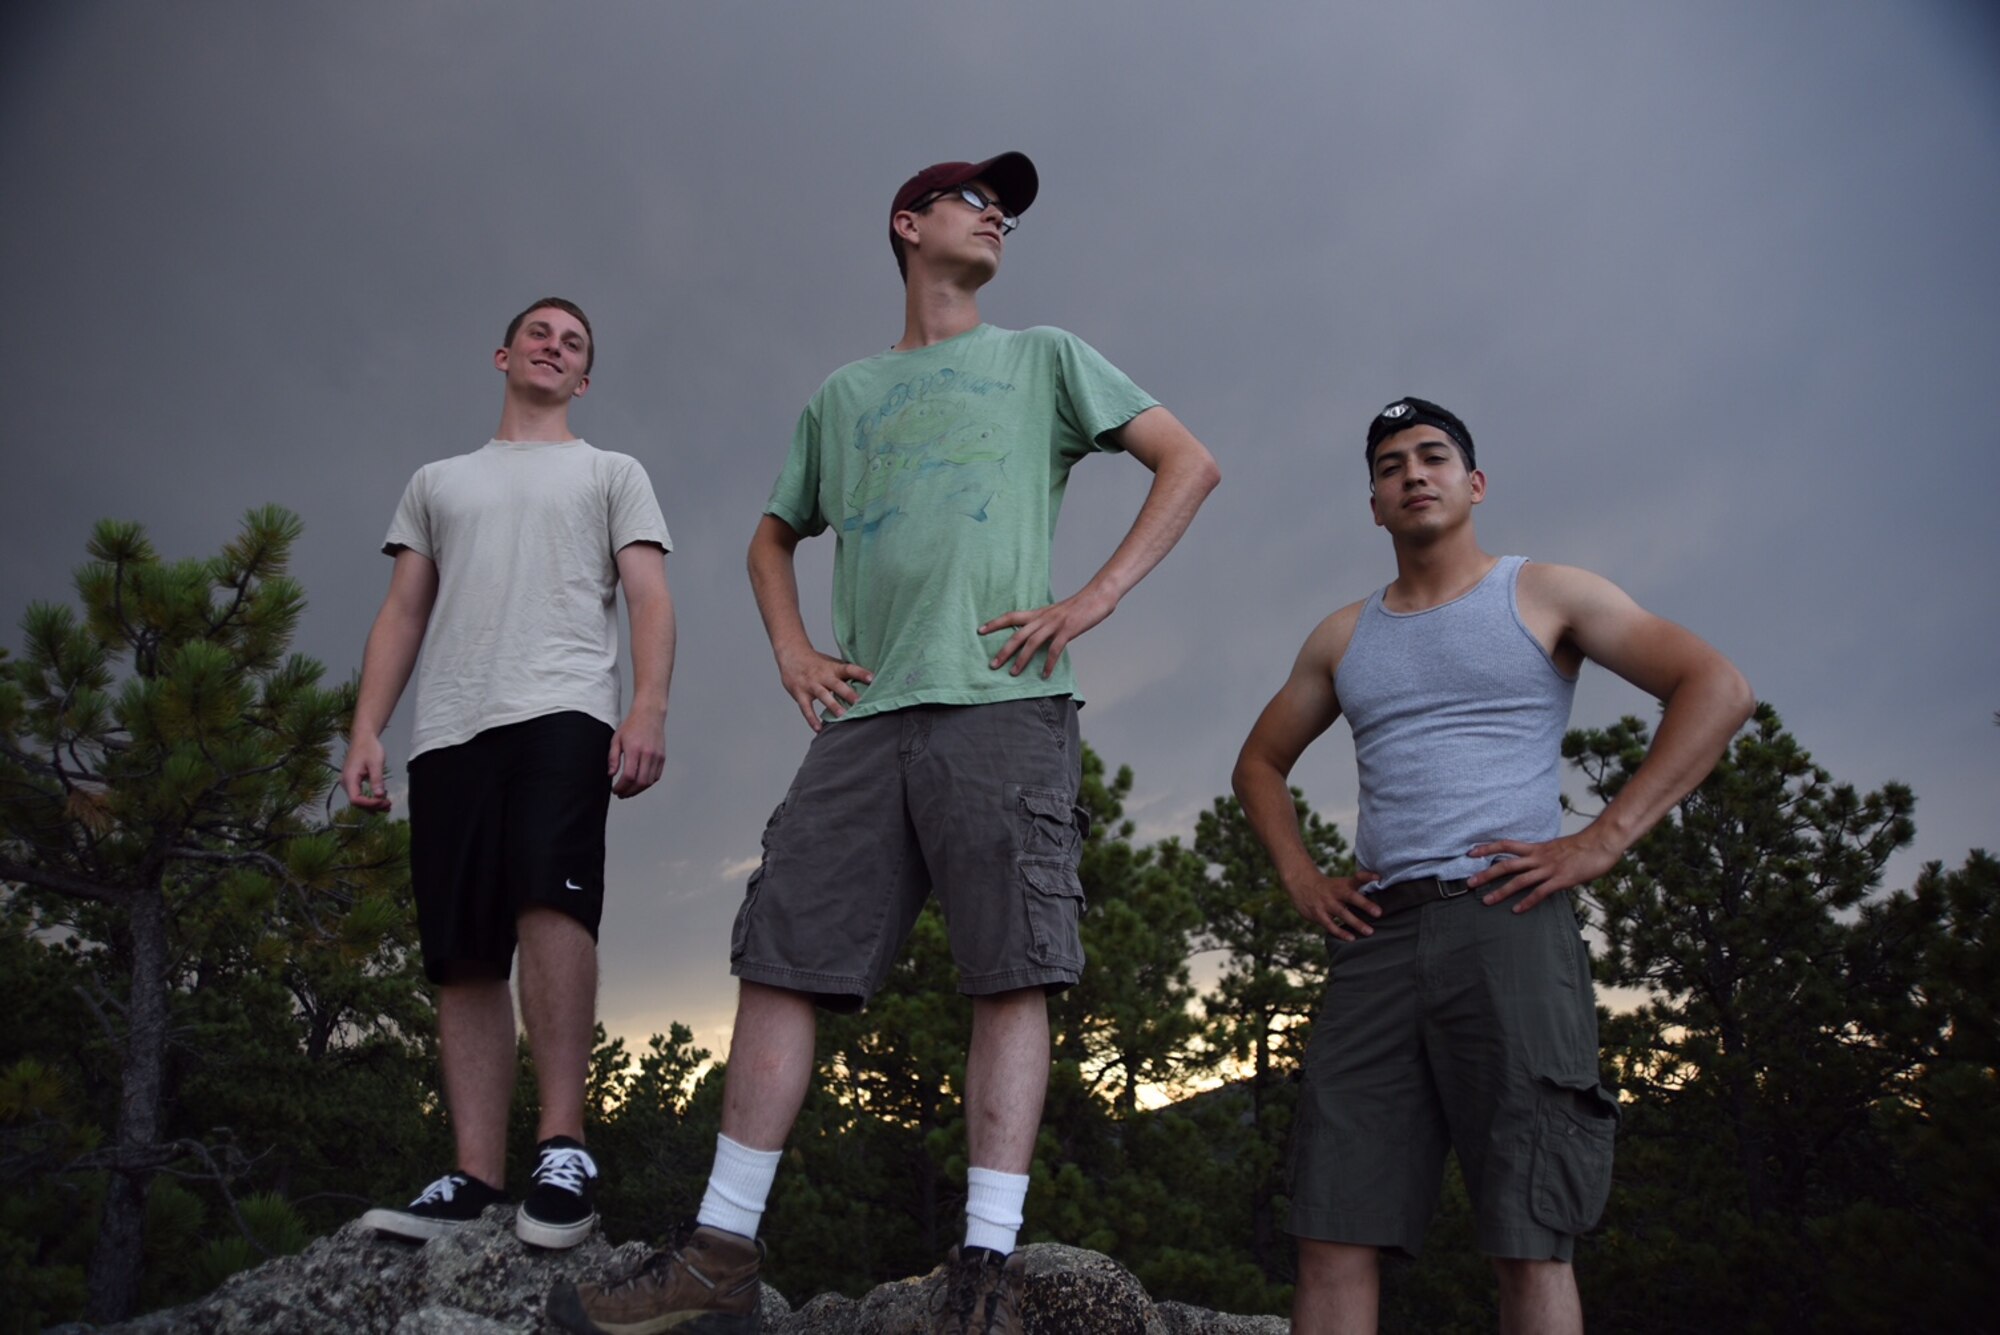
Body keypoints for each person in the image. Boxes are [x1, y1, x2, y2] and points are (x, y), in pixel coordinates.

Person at [548, 153, 1219, 1335]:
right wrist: (793, 652)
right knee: (782, 951)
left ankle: (984, 1267)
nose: (996, 213)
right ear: (909, 227)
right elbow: (769, 539)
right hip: (863, 717)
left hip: (1003, 699)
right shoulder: (842, 395)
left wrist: (1091, 600)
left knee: (1009, 962)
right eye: (972, 197)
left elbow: (1186, 461)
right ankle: (718, 1259)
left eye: (1004, 205)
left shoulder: (1043, 356)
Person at [1231, 397, 1752, 1335]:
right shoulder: (1342, 636)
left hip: (1508, 921)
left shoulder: (1547, 594)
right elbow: (1258, 763)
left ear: (1474, 484)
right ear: (1375, 506)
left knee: (1530, 1230)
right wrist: (1302, 879)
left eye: (1433, 457)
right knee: (1332, 1230)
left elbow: (1716, 686)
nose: (1413, 474)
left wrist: (1601, 839)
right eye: (1390, 466)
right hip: (1377, 942)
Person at [344, 298, 675, 1251]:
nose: (555, 346)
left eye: (574, 343)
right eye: (540, 332)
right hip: (447, 728)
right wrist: (366, 728)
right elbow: (403, 612)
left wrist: (645, 705)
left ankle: (563, 1148)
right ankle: (474, 1174)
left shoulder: (612, 472)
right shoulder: (438, 481)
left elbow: (650, 596)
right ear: (503, 354)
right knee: (464, 948)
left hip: (563, 708)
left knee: (552, 906)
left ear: (585, 377)